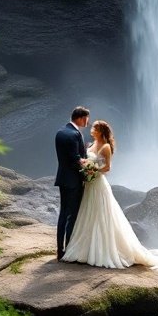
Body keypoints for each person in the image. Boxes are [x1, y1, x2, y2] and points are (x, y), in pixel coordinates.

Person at [62, 120, 158, 269]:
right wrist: (85, 168)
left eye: (95, 127)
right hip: (89, 184)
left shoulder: (106, 147)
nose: (92, 129)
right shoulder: (91, 144)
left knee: (101, 214)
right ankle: (86, 249)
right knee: (89, 213)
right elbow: (84, 160)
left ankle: (103, 250)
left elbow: (107, 167)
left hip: (98, 183)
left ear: (101, 131)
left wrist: (93, 171)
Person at [55, 106, 89, 260]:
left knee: (62, 215)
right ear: (81, 118)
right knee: (72, 216)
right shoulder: (75, 134)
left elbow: (67, 156)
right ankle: (69, 249)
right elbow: (76, 160)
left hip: (63, 178)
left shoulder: (61, 132)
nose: (87, 121)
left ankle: (59, 250)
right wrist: (88, 167)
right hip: (74, 181)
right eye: (87, 118)